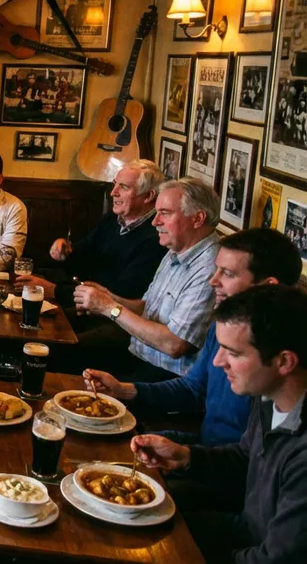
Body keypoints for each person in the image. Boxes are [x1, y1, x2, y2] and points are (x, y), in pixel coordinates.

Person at [131, 285, 307, 564]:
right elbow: (244, 458)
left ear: (284, 361)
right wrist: (186, 456)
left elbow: (275, 559)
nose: (217, 361)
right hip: (242, 532)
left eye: (233, 353)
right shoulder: (266, 399)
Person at [84, 228, 301, 447]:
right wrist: (124, 390)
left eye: (228, 273)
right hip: (207, 453)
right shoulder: (222, 327)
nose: (213, 281)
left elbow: (248, 460)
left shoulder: (274, 356)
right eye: (217, 270)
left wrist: (187, 454)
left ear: (268, 286)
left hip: (221, 468)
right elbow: (193, 388)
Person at [73, 177, 220, 381]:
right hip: (137, 354)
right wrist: (108, 298)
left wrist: (109, 308)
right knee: (61, 350)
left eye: (165, 214)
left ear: (197, 219)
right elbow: (147, 308)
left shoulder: (211, 269)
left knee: (66, 362)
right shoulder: (175, 249)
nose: (154, 221)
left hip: (167, 377)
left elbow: (174, 345)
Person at [17, 159, 166, 309]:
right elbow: (86, 253)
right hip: (83, 295)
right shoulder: (115, 218)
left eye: (124, 187)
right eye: (115, 184)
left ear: (148, 196)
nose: (113, 192)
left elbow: (120, 296)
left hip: (108, 315)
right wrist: (66, 251)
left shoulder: (155, 239)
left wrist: (53, 291)